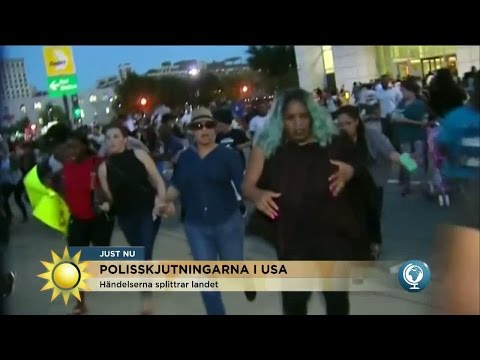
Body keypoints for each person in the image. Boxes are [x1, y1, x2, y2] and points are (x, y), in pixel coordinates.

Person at [242, 88, 370, 315]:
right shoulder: (267, 147)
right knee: (294, 304)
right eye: (291, 118)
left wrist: (350, 170)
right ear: (280, 121)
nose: (298, 124)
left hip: (333, 239)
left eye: (303, 116)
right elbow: (247, 186)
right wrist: (258, 195)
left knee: (337, 303)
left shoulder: (333, 142)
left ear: (313, 116)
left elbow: (362, 163)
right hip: (292, 242)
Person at [163, 107, 248, 315]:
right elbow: (176, 186)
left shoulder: (228, 155)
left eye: (209, 125)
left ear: (215, 128)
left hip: (227, 222)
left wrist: (259, 195)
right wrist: (165, 200)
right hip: (196, 227)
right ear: (192, 130)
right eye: (198, 126)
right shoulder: (185, 158)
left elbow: (244, 186)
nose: (204, 130)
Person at [98, 125, 167, 315]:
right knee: (140, 252)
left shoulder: (139, 156)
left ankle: (146, 299)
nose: (111, 140)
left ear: (125, 140)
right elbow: (110, 198)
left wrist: (160, 201)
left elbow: (158, 181)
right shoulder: (104, 168)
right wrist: (106, 205)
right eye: (108, 137)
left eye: (116, 136)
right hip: (125, 216)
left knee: (143, 253)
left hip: (148, 211)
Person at [337, 105, 410, 259]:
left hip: (373, 181)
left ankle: (374, 243)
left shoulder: (372, 135)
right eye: (340, 124)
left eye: (348, 123)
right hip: (350, 183)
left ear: (357, 121)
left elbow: (390, 152)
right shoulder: (338, 138)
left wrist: (410, 164)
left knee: (372, 214)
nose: (344, 127)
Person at [62, 130, 114, 315]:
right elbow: (67, 188)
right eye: (68, 147)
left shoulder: (97, 164)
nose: (71, 150)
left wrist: (104, 197)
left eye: (74, 146)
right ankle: (80, 303)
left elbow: (110, 190)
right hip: (77, 219)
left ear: (85, 146)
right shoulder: (67, 166)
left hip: (99, 218)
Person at [391, 77, 428, 196]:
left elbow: (423, 122)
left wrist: (406, 120)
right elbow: (394, 115)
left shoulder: (419, 104)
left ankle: (423, 185)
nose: (401, 92)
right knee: (407, 161)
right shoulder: (401, 103)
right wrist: (396, 118)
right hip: (404, 137)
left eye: (403, 90)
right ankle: (408, 185)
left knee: (419, 160)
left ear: (410, 91)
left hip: (417, 136)